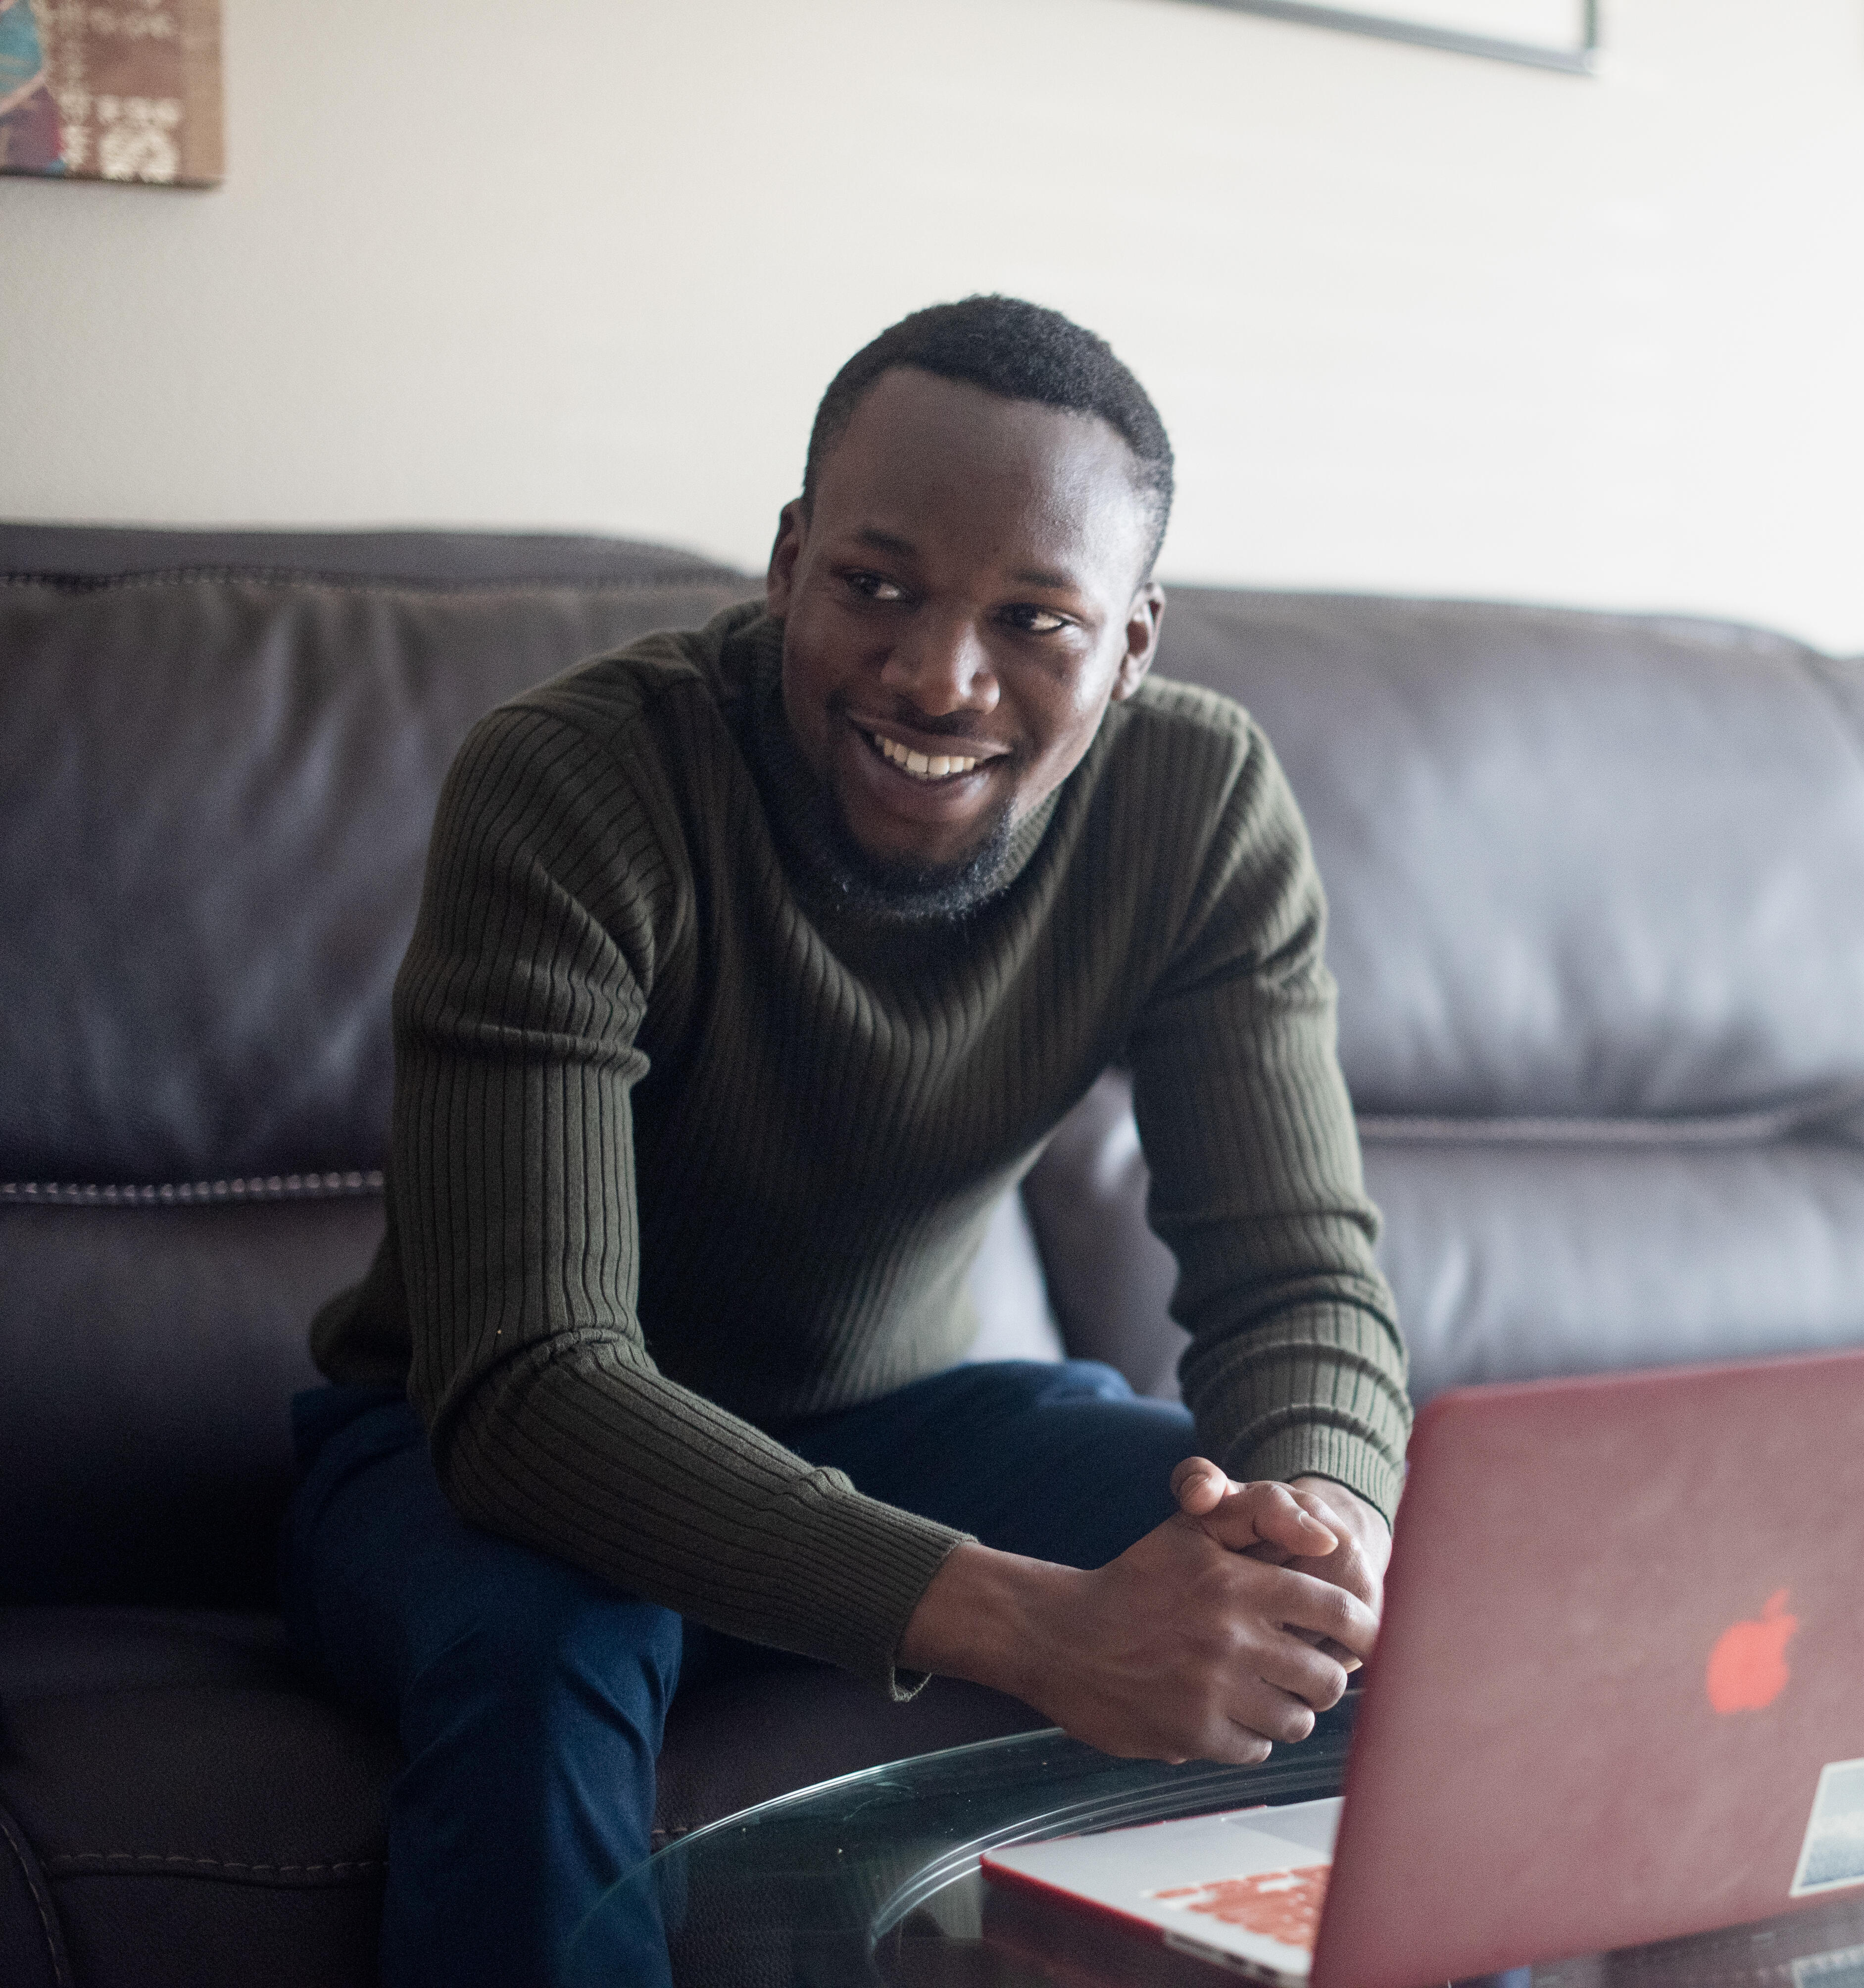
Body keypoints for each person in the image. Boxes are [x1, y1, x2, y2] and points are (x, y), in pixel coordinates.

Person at [281, 295, 1413, 1987]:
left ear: (1134, 641)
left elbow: (1297, 1273)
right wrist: (1036, 1628)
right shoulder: (578, 786)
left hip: (899, 1424)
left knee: (1358, 1606)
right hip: (468, 1458)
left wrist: (1325, 1528)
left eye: (1037, 619)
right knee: (550, 1649)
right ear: (790, 558)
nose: (940, 676)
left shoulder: (1199, 809)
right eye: (877, 587)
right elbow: (533, 1386)